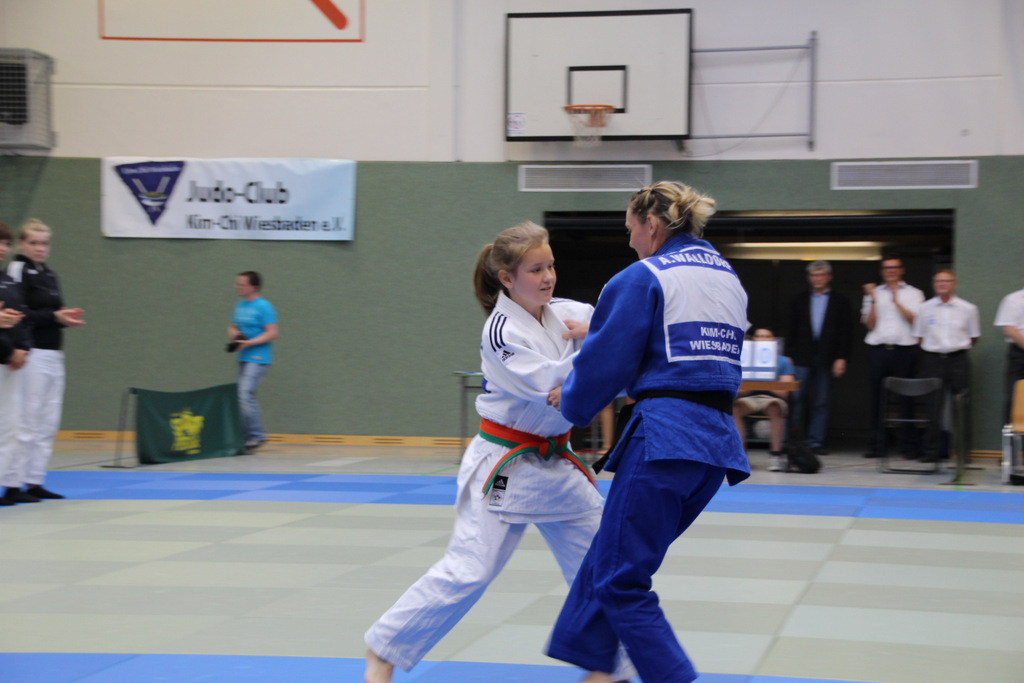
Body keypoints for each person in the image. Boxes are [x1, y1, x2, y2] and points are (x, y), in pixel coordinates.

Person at [364, 222, 633, 683]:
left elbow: (622, 334)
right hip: (506, 463)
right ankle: (383, 650)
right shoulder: (500, 332)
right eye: (535, 269)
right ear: (507, 278)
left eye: (550, 265)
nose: (548, 277)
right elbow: (549, 383)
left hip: (557, 460)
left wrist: (603, 335)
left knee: (603, 561)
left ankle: (611, 667)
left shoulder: (568, 312)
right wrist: (601, 346)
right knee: (472, 569)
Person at [545, 181, 750, 683]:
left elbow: (607, 364)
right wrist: (602, 331)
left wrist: (570, 401)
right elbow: (683, 354)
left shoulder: (643, 276)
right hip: (714, 448)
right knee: (609, 557)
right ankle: (598, 671)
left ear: (652, 225)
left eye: (631, 229)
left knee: (620, 579)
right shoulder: (727, 277)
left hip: (664, 442)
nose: (631, 240)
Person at [4, 219, 84, 503]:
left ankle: (34, 479)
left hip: (53, 352)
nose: (40, 248)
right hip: (32, 352)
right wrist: (52, 317)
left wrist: (64, 317)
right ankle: (13, 483)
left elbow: (53, 311)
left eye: (44, 243)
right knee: (26, 420)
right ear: (21, 244)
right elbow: (18, 313)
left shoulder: (49, 274)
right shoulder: (17, 270)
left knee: (47, 421)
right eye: (33, 243)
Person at [912, 270, 979, 462]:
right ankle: (932, 452)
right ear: (934, 284)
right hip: (933, 360)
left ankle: (963, 453)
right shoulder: (924, 308)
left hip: (958, 360)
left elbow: (973, 337)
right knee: (933, 407)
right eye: (938, 281)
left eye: (946, 280)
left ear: (954, 284)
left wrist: (954, 349)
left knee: (962, 406)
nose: (942, 284)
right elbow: (919, 336)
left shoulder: (968, 308)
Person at [786, 260, 851, 455]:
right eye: (814, 275)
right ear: (809, 278)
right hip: (801, 355)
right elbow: (790, 329)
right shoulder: (799, 300)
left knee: (821, 401)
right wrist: (788, 355)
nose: (818, 279)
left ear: (829, 277)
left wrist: (842, 358)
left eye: (821, 275)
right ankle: (791, 440)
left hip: (827, 356)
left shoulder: (840, 301)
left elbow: (846, 333)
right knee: (795, 398)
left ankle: (815, 442)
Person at [861, 255, 924, 457]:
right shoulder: (873, 292)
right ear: (882, 271)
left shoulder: (914, 293)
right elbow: (869, 325)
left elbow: (917, 321)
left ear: (902, 270)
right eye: (886, 268)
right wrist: (872, 299)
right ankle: (877, 445)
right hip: (878, 350)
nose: (890, 271)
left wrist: (897, 302)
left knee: (906, 398)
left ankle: (908, 446)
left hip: (905, 350)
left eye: (894, 267)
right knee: (876, 398)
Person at [733, 328, 796, 472]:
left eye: (767, 336)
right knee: (735, 407)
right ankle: (742, 456)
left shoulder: (783, 361)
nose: (762, 339)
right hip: (748, 398)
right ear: (752, 340)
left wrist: (761, 382)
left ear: (774, 341)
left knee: (775, 406)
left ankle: (776, 456)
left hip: (771, 398)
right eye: (758, 336)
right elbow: (736, 390)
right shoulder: (742, 359)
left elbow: (785, 392)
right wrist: (757, 385)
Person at [228, 271, 277, 453]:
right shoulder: (239, 305)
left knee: (244, 394)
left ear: (253, 287)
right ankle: (245, 437)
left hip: (258, 358)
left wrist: (249, 343)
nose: (238, 287)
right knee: (243, 397)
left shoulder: (264, 306)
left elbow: (272, 333)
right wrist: (235, 335)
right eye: (237, 284)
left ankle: (256, 435)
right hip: (243, 357)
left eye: (242, 284)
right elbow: (233, 326)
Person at [0, 223, 31, 506]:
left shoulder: (7, 281)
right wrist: (9, 351)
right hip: (3, 356)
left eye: (6, 243)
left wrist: (22, 348)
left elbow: (21, 317)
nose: (3, 248)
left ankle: (9, 483)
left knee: (10, 427)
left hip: (10, 364)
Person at [993, 281, 1024, 423]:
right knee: (1015, 398)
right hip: (1020, 355)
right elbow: (1010, 330)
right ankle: (1012, 436)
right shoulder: (1013, 299)